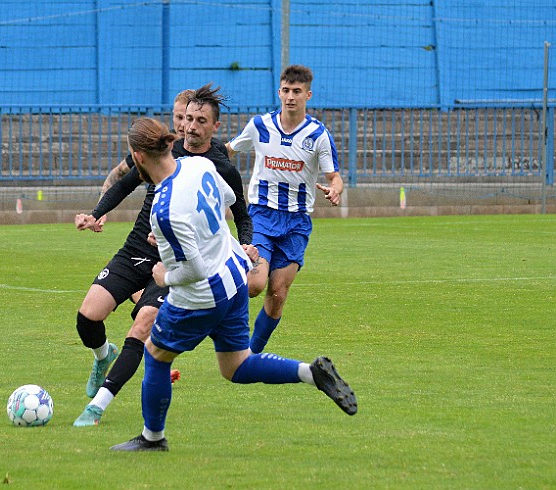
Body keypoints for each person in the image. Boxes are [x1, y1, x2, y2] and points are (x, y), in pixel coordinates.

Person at [110, 117, 356, 452]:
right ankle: (310, 373)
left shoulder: (163, 209)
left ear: (138, 157)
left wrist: (163, 276)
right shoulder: (197, 165)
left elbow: (193, 270)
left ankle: (153, 438)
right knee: (236, 365)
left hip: (200, 297)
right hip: (234, 277)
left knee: (154, 353)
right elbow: (224, 200)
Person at [72, 85, 254, 427]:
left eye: (198, 119)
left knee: (142, 327)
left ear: (214, 125)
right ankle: (102, 355)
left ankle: (96, 407)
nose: (189, 126)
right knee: (87, 317)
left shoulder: (217, 165)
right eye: (184, 119)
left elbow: (240, 214)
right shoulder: (163, 153)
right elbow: (124, 183)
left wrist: (243, 243)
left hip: (174, 259)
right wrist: (97, 212)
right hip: (138, 248)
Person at [225, 64, 344, 354]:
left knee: (277, 293)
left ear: (308, 95)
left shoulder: (318, 134)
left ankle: (251, 354)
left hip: (296, 223)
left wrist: (336, 190)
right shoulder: (259, 126)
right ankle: (222, 310)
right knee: (254, 285)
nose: (291, 96)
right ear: (279, 92)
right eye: (286, 91)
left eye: (297, 91)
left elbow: (335, 177)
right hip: (261, 216)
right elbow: (228, 149)